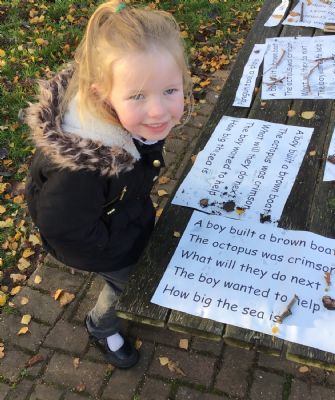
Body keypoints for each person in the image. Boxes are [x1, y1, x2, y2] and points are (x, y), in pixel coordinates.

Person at [25, 0, 192, 368]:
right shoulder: (81, 171)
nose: (159, 110)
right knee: (127, 284)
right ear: (102, 95)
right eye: (138, 96)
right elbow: (62, 226)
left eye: (170, 90)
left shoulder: (131, 123)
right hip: (103, 245)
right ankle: (101, 326)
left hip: (121, 214)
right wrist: (114, 247)